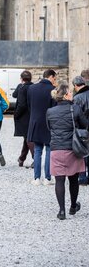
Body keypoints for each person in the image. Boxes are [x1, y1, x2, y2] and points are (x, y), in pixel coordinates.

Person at [46, 83, 88, 220]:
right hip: (73, 149)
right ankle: (73, 206)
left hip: (57, 149)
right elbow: (85, 125)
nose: (71, 94)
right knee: (73, 179)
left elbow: (49, 127)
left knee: (59, 180)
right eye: (69, 92)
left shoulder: (50, 111)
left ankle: (61, 211)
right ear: (65, 95)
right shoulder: (74, 109)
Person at [27, 69, 57, 186]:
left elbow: (29, 105)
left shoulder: (32, 88)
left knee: (37, 150)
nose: (55, 81)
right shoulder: (53, 90)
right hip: (49, 123)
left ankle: (37, 178)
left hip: (35, 122)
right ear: (50, 77)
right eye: (54, 78)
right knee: (49, 150)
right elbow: (54, 108)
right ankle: (47, 178)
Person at [13, 70, 34, 167]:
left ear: (21, 79)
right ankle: (21, 158)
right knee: (27, 137)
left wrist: (16, 115)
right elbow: (14, 94)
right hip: (32, 115)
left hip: (24, 117)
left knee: (28, 138)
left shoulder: (22, 88)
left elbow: (21, 105)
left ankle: (35, 158)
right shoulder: (33, 87)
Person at [72, 75, 89, 185]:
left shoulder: (77, 98)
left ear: (76, 86)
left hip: (82, 129)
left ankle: (82, 178)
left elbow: (75, 115)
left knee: (81, 153)